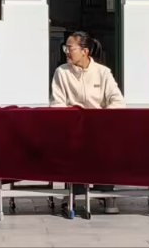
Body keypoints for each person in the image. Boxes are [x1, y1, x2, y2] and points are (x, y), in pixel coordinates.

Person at [50, 31, 125, 214]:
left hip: (100, 127)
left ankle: (106, 193)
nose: (66, 52)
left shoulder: (102, 72)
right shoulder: (62, 72)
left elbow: (118, 101)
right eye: (65, 48)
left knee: (106, 147)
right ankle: (75, 193)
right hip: (74, 127)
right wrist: (74, 117)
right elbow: (57, 103)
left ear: (85, 51)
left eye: (70, 48)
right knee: (74, 147)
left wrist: (101, 118)